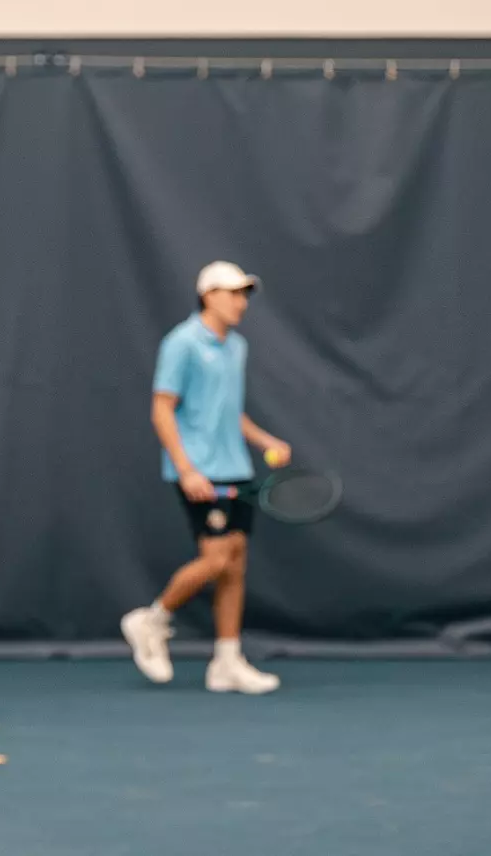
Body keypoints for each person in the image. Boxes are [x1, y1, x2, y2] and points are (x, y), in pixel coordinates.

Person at [121, 261, 288, 694]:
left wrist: (266, 441)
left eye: (245, 295)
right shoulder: (181, 344)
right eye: (233, 293)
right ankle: (151, 620)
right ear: (208, 295)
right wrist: (186, 469)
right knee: (215, 559)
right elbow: (161, 409)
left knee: (235, 564)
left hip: (236, 468)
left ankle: (227, 662)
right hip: (199, 470)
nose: (241, 303)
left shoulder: (237, 347)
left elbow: (229, 412)